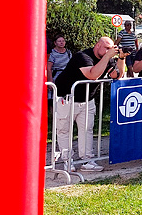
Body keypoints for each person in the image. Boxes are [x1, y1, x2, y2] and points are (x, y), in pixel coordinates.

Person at [53, 35, 125, 171]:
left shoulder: (106, 59)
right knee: (64, 130)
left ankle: (88, 160)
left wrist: (121, 58)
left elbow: (117, 75)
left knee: (87, 129)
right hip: (67, 98)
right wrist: (107, 57)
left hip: (87, 100)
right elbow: (93, 75)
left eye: (111, 49)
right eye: (106, 48)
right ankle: (67, 161)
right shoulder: (82, 57)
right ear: (98, 45)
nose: (109, 51)